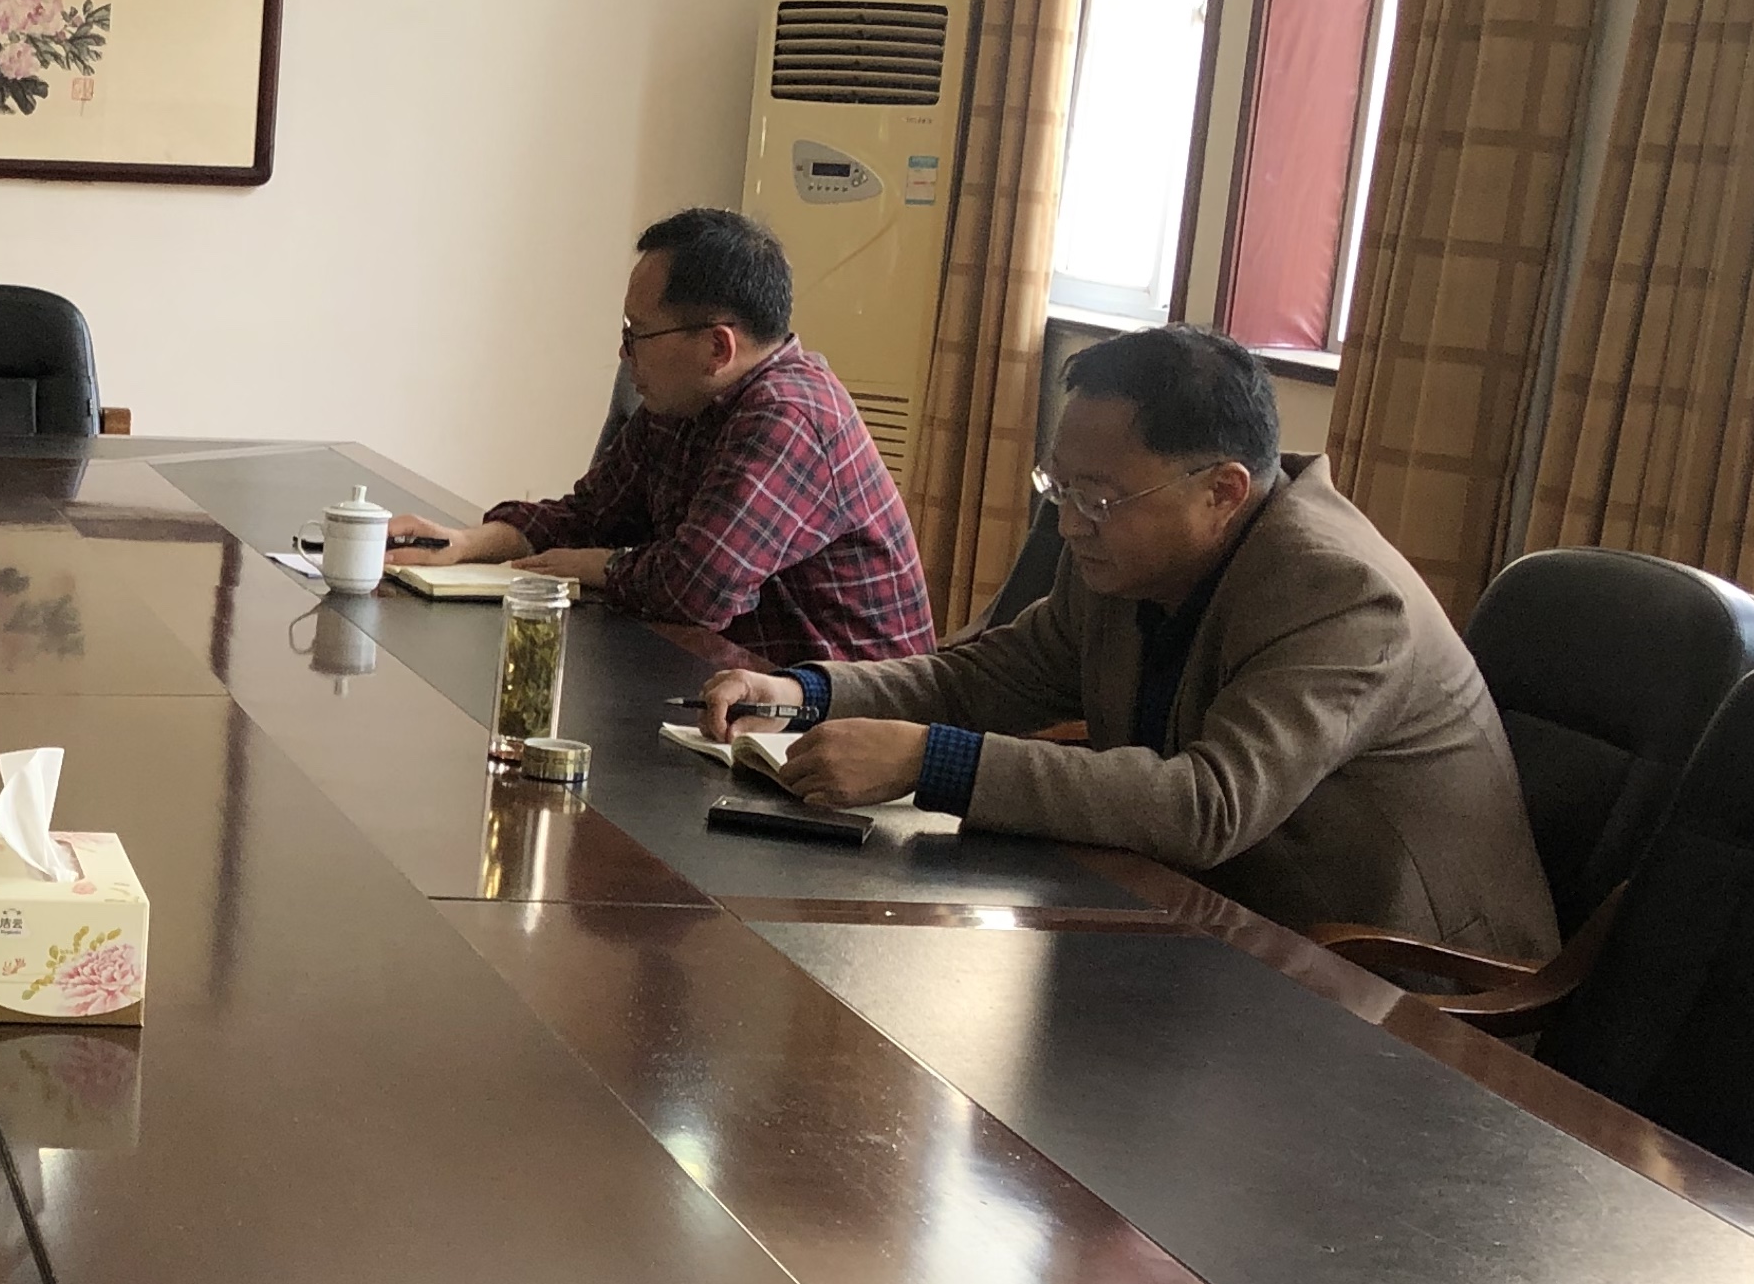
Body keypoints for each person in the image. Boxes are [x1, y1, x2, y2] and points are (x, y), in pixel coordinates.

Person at [701, 325, 1561, 957]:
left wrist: (933, 761)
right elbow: (994, 675)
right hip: (1214, 925)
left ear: (1223, 492)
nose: (1070, 523)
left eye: (1098, 496)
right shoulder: (1126, 552)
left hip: (1394, 984)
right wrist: (806, 693)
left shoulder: (1340, 593)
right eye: (1059, 486)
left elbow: (1209, 804)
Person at [392, 207, 936, 666]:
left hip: (834, 724)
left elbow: (696, 590)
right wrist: (465, 544)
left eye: (638, 333)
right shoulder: (683, 401)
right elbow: (588, 516)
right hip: (727, 685)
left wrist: (600, 566)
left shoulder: (791, 417)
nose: (624, 353)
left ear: (717, 348)